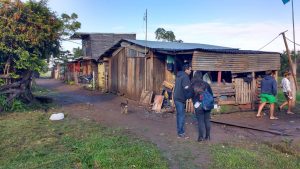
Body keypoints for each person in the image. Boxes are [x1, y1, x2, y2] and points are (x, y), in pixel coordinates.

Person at [191, 71, 213, 141]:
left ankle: (201, 137)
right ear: (201, 76)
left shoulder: (193, 84)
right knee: (207, 120)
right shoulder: (206, 84)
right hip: (207, 104)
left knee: (200, 121)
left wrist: (195, 101)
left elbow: (190, 95)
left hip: (198, 105)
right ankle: (208, 136)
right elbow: (211, 95)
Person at [173, 64, 192, 138]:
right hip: (180, 98)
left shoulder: (179, 75)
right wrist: (190, 95)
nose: (191, 71)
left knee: (179, 115)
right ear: (186, 69)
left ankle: (179, 131)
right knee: (181, 116)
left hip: (176, 97)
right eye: (190, 69)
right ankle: (181, 132)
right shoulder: (185, 77)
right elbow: (186, 88)